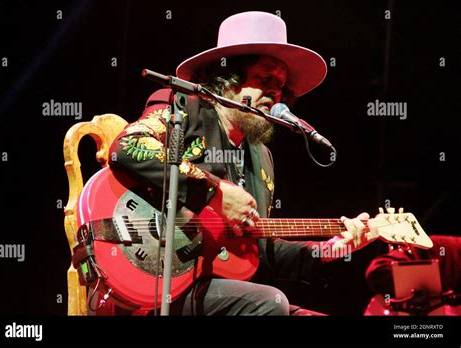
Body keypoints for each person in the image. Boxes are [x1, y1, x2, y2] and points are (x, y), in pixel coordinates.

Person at [106, 11, 376, 316]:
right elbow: (128, 146)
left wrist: (329, 250)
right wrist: (215, 191)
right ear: (226, 81)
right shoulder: (184, 107)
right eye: (264, 79)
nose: (274, 94)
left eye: (280, 86)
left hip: (221, 289)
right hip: (160, 278)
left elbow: (259, 247)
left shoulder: (262, 158)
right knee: (269, 303)